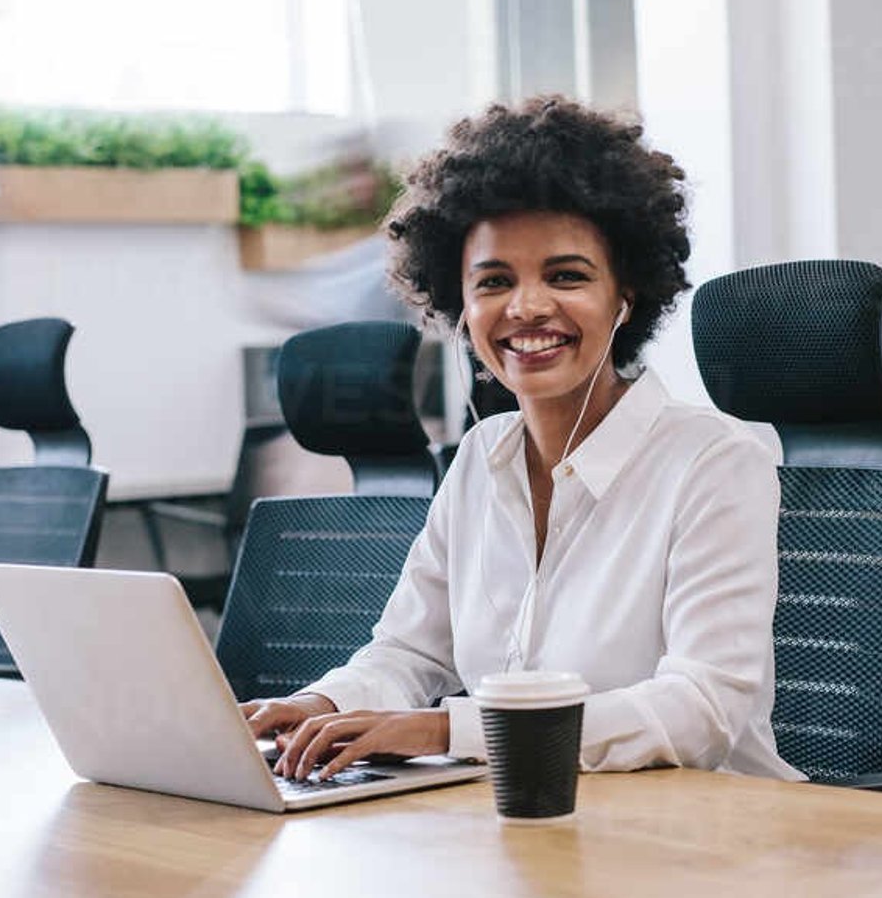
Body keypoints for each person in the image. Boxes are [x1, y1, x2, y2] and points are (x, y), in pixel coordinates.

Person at [241, 96, 799, 782]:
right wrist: (314, 708)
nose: (527, 307)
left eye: (566, 276)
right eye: (494, 282)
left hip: (702, 848)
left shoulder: (715, 462)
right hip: (532, 830)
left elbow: (701, 709)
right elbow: (410, 655)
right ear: (460, 306)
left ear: (625, 296)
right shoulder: (481, 458)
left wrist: (450, 727)